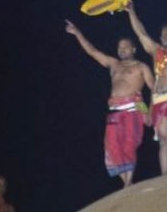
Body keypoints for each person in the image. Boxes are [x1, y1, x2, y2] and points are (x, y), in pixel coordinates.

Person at [64, 20, 154, 187]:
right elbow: (92, 51)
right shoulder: (114, 64)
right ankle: (125, 180)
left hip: (134, 107)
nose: (122, 50)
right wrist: (77, 33)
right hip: (114, 110)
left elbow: (154, 89)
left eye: (126, 47)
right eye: (120, 47)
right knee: (112, 146)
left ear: (134, 49)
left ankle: (129, 182)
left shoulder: (141, 67)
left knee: (129, 143)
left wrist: (150, 112)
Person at [125, 1, 167, 174]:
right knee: (164, 140)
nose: (163, 36)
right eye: (162, 34)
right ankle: (165, 176)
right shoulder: (156, 52)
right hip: (159, 99)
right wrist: (131, 12)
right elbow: (141, 33)